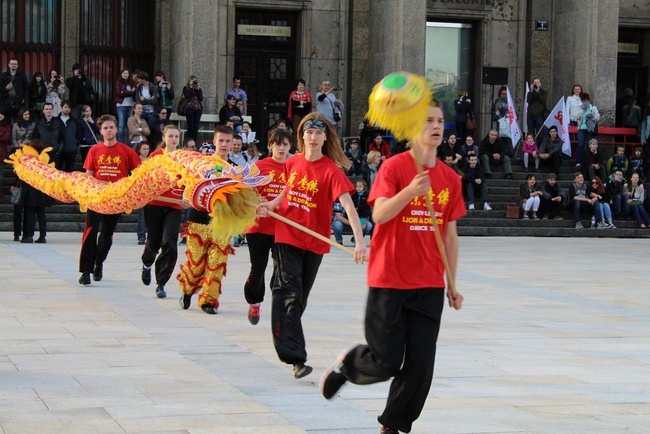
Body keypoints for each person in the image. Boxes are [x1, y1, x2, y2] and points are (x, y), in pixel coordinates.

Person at [319, 99, 464, 434]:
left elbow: (451, 238)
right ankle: (349, 365)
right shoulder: (395, 168)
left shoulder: (450, 180)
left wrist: (451, 285)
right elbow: (380, 214)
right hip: (390, 279)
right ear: (413, 129)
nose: (436, 126)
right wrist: (410, 192)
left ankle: (393, 425)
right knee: (385, 361)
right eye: (428, 120)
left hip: (428, 283)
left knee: (420, 366)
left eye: (440, 120)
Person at [258, 112, 367, 379]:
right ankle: (295, 358)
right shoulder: (293, 162)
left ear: (325, 138)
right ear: (302, 136)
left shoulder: (331, 170)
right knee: (288, 292)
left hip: (314, 241)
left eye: (318, 133)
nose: (313, 137)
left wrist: (360, 241)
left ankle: (287, 331)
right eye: (308, 132)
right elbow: (287, 190)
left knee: (299, 299)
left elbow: (349, 207)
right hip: (286, 235)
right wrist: (271, 205)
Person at [177, 125, 236, 315]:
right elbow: (190, 183)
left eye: (228, 141)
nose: (225, 145)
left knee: (216, 263)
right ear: (214, 142)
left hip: (222, 224)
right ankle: (187, 290)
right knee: (195, 264)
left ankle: (209, 301)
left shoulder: (235, 171)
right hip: (199, 220)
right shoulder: (202, 165)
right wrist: (186, 197)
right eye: (221, 141)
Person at [78, 114, 141, 285]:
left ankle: (99, 263)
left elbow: (139, 174)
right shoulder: (94, 150)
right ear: (101, 131)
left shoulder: (126, 151)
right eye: (105, 128)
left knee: (107, 234)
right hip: (96, 198)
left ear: (116, 129)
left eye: (111, 127)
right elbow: (88, 176)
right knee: (90, 232)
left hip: (116, 199)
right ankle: (85, 271)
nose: (108, 130)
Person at [243, 128, 292, 325]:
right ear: (270, 145)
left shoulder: (294, 168)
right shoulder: (258, 166)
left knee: (283, 270)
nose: (281, 148)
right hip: (258, 228)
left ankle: (279, 304)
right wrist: (256, 199)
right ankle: (254, 302)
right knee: (258, 269)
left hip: (283, 228)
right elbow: (244, 193)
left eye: (285, 144)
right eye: (277, 144)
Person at [141, 125, 189, 298]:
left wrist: (187, 198)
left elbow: (190, 181)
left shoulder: (184, 158)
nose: (174, 139)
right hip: (154, 204)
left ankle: (161, 282)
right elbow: (144, 178)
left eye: (176, 136)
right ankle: (147, 264)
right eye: (171, 136)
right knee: (153, 243)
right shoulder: (155, 157)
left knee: (169, 243)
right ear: (164, 137)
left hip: (174, 206)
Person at [18, 139, 53, 243]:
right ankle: (42, 236)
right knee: (41, 213)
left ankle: (29, 235)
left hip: (31, 188)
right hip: (42, 188)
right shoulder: (44, 158)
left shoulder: (29, 160)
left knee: (30, 212)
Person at [332, 179, 374, 245]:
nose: (358, 188)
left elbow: (365, 211)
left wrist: (362, 222)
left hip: (360, 218)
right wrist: (354, 223)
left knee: (368, 225)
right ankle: (339, 241)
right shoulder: (340, 199)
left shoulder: (362, 196)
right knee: (337, 225)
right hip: (346, 221)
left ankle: (356, 239)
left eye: (360, 186)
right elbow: (339, 216)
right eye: (357, 186)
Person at [575, 92, 600, 166]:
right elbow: (576, 117)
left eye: (586, 100)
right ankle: (578, 161)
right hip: (581, 129)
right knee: (581, 144)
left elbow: (597, 118)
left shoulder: (593, 108)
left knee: (590, 145)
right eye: (583, 101)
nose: (585, 102)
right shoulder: (579, 108)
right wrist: (582, 110)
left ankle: (590, 161)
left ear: (589, 100)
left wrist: (591, 116)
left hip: (590, 129)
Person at [57, 101, 82, 172]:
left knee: (70, 171)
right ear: (61, 108)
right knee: (58, 171)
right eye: (65, 107)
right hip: (59, 150)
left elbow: (78, 134)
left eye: (69, 107)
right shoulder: (56, 121)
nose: (67, 109)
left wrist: (75, 143)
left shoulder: (74, 121)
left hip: (71, 149)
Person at [134, 141, 151, 245]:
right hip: (140, 189)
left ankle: (149, 235)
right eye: (144, 149)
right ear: (139, 149)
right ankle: (141, 236)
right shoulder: (136, 161)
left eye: (147, 149)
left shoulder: (151, 161)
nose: (146, 151)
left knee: (149, 214)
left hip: (149, 189)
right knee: (141, 214)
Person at [114, 68, 136, 144]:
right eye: (123, 73)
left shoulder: (132, 82)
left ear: (129, 74)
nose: (124, 75)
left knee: (129, 124)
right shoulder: (118, 82)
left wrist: (124, 92)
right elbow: (119, 93)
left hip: (131, 105)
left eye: (126, 73)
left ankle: (129, 142)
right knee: (121, 125)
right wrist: (130, 92)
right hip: (121, 105)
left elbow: (134, 92)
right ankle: (120, 142)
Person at [182, 75, 203, 140]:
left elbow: (201, 98)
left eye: (195, 81)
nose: (194, 82)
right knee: (191, 126)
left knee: (196, 127)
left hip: (198, 109)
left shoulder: (198, 89)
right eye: (193, 81)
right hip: (189, 109)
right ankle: (188, 141)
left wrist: (198, 89)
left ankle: (194, 142)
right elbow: (187, 96)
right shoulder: (186, 88)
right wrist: (191, 88)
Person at [0, 110, 11, 192]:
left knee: (1, 174)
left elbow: (6, 138)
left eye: (1, 114)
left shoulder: (7, 126)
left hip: (2, 153)